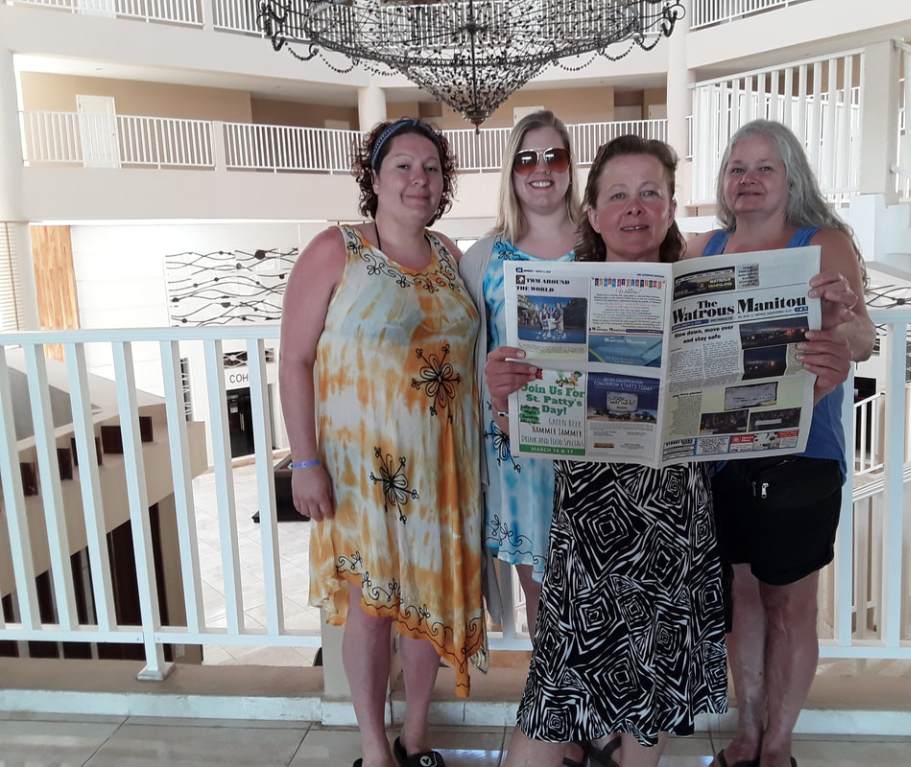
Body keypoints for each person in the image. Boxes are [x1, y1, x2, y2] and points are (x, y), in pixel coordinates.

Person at [487, 135, 783, 767]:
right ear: (592, 214)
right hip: (588, 531)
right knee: (552, 702)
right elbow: (520, 431)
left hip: (674, 527)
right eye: (618, 194)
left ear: (671, 208)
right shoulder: (556, 294)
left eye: (651, 193)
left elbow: (757, 398)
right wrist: (502, 396)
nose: (635, 207)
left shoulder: (706, 294)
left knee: (650, 707)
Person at [280, 118, 485, 767]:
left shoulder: (449, 253)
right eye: (403, 166)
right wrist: (304, 460)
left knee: (427, 598)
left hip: (444, 469)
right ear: (374, 176)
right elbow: (294, 360)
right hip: (362, 472)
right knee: (370, 609)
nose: (418, 179)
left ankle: (416, 736)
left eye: (431, 168)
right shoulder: (335, 250)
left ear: (444, 183)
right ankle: (375, 750)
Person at [687, 119, 875, 767]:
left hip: (803, 453)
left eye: (764, 167)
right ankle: (746, 733)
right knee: (741, 599)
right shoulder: (703, 249)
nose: (748, 179)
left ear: (791, 177)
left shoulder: (822, 242)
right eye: (736, 168)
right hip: (720, 454)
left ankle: (778, 744)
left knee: (791, 604)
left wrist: (844, 328)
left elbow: (863, 339)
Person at [460, 110, 581, 638]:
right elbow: (463, 355)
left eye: (555, 156)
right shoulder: (484, 258)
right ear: (510, 171)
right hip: (519, 455)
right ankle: (555, 691)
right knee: (543, 603)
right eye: (527, 159)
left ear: (571, 166)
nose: (542, 169)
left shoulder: (602, 244)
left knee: (603, 588)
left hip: (594, 448)